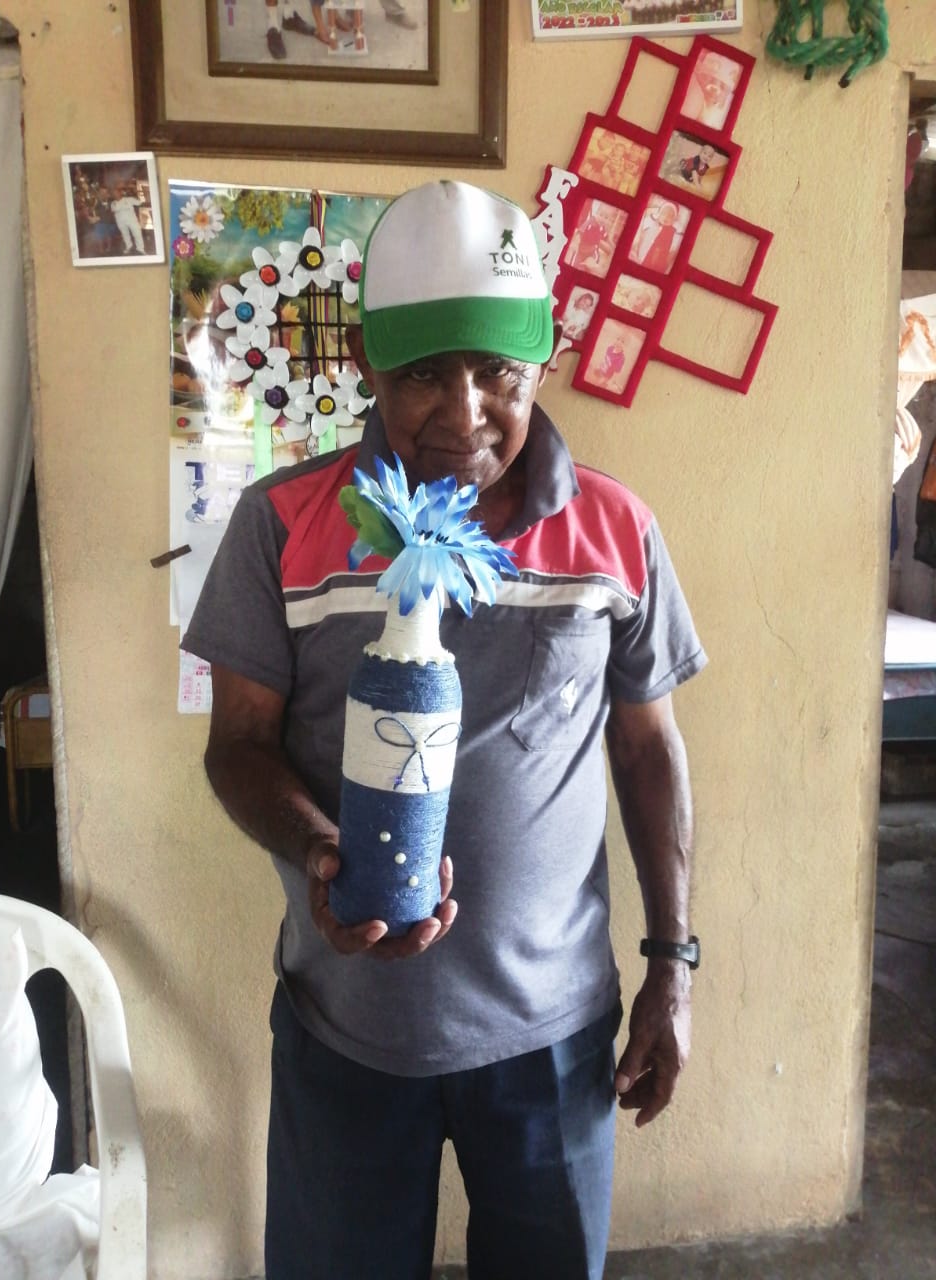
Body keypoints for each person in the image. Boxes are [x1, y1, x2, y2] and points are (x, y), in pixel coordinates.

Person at [182, 179, 705, 1280]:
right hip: (347, 1030)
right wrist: (320, 852)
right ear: (366, 364)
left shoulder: (616, 530)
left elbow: (648, 749)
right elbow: (237, 747)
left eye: (497, 372)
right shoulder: (283, 524)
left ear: (542, 363)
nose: (464, 415)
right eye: (423, 373)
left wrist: (674, 963)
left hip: (554, 1039)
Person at [110, 183, 145, 255]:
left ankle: (140, 249)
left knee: (137, 234)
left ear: (120, 193)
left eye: (116, 192)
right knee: (125, 235)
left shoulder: (129, 199)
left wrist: (136, 193)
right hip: (121, 222)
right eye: (113, 193)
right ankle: (128, 247)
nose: (115, 194)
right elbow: (114, 210)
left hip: (132, 221)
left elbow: (140, 203)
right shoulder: (113, 203)